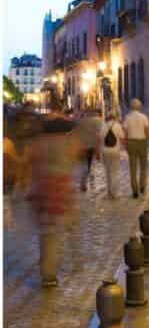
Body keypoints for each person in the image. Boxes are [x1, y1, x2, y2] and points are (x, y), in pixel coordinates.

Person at [27, 101, 78, 287]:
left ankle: (48, 273)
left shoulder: (38, 142)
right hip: (61, 187)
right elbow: (73, 159)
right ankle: (72, 259)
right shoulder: (67, 141)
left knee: (47, 233)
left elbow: (30, 162)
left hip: (43, 188)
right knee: (65, 227)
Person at [122, 98, 149, 198]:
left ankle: (134, 190)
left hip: (131, 142)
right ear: (140, 107)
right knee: (143, 166)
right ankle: (142, 186)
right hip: (142, 142)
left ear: (131, 107)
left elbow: (124, 132)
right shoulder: (144, 117)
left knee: (133, 167)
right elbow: (147, 130)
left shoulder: (127, 117)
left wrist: (125, 144)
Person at [99, 110, 125, 199]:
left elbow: (100, 139)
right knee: (114, 172)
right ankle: (115, 193)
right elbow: (122, 139)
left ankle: (109, 192)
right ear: (115, 118)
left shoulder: (103, 126)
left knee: (107, 172)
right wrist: (122, 148)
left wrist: (98, 151)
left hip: (105, 151)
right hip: (115, 151)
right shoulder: (118, 126)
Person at [77, 108, 103, 191]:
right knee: (90, 164)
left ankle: (83, 183)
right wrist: (98, 149)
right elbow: (98, 135)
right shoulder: (96, 122)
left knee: (84, 165)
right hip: (92, 146)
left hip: (83, 146)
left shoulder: (81, 122)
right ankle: (90, 182)